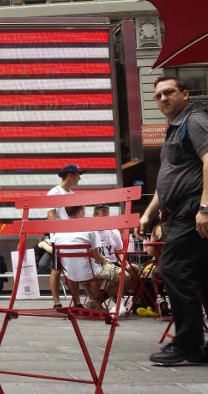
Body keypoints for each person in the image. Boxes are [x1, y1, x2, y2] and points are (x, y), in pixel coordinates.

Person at [138, 76, 208, 365]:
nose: (163, 98)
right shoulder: (174, 129)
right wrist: (148, 213)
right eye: (158, 95)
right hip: (184, 208)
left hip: (194, 208)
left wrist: (205, 207)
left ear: (185, 94)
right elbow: (166, 181)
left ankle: (187, 343)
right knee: (203, 276)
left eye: (169, 92)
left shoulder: (194, 121)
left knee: (173, 267)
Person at [49, 206, 127, 312]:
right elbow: (97, 257)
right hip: (90, 273)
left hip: (71, 275)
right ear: (81, 211)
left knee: (91, 277)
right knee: (125, 275)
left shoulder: (58, 234)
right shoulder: (89, 230)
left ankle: (93, 302)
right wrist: (106, 261)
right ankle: (98, 302)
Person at [47, 163, 84, 308]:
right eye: (78, 175)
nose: (79, 179)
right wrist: (55, 237)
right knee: (57, 270)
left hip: (73, 236)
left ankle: (77, 302)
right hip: (60, 237)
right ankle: (57, 302)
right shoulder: (54, 192)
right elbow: (51, 215)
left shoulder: (72, 194)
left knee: (73, 269)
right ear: (70, 175)